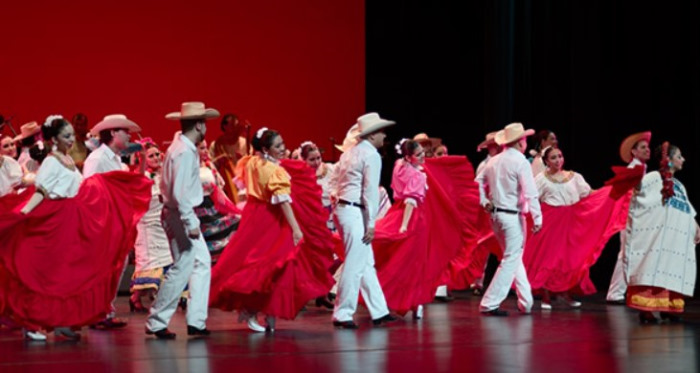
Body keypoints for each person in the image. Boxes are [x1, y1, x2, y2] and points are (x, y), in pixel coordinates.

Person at [0, 117, 151, 341]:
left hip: (69, 218)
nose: (72, 140)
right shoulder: (52, 161)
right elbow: (41, 190)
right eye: (66, 136)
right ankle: (31, 323)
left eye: (72, 135)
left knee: (66, 273)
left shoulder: (67, 158)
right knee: (45, 273)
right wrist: (23, 213)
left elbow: (77, 185)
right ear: (54, 139)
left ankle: (62, 320)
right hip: (53, 219)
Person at [209, 128, 335, 332]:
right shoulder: (272, 170)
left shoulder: (252, 162)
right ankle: (252, 310)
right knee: (270, 265)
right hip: (270, 219)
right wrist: (296, 229)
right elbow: (283, 202)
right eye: (278, 146)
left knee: (269, 266)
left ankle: (267, 313)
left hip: (255, 215)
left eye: (283, 144)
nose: (283, 149)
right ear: (266, 149)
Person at [145, 102, 219, 339]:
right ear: (199, 125)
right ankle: (158, 320)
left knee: (198, 263)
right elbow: (180, 192)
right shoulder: (184, 151)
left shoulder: (181, 146)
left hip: (176, 213)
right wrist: (191, 222)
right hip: (179, 214)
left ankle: (194, 320)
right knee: (184, 264)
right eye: (204, 123)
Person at [330, 113, 399, 329]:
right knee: (354, 262)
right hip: (354, 211)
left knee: (366, 261)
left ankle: (379, 310)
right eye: (380, 132)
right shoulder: (370, 155)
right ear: (371, 136)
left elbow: (334, 182)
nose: (383, 136)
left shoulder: (349, 153)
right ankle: (342, 313)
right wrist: (371, 224)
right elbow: (370, 192)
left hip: (344, 209)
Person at [625, 142, 699, 323]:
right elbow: (636, 188)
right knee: (652, 265)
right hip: (657, 237)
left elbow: (687, 208)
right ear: (669, 160)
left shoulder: (679, 185)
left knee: (673, 267)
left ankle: (669, 307)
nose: (683, 159)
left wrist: (695, 224)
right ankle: (646, 309)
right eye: (679, 156)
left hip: (675, 239)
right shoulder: (653, 177)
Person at [83, 114, 142, 330]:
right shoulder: (97, 158)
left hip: (117, 221)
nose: (128, 135)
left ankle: (105, 309)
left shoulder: (117, 159)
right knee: (103, 267)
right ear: (113, 133)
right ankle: (96, 311)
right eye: (124, 131)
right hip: (102, 221)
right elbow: (88, 190)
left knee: (118, 264)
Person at [476, 122, 542, 316]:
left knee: (513, 257)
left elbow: (478, 181)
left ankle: (526, 301)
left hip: (496, 216)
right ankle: (490, 302)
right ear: (520, 142)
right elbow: (531, 192)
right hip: (511, 216)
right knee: (511, 257)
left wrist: (483, 200)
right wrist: (537, 218)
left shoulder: (493, 160)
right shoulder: (520, 161)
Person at [530, 147, 590, 309]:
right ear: (546, 162)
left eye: (560, 156)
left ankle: (566, 293)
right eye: (553, 158)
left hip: (571, 221)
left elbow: (588, 194)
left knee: (569, 259)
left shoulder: (574, 177)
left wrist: (608, 192)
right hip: (551, 221)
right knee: (550, 258)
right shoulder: (541, 178)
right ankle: (546, 296)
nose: (558, 160)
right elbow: (532, 198)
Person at [606, 131, 651, 304]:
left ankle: (624, 290)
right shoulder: (633, 169)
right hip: (630, 217)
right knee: (626, 254)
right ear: (634, 152)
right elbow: (627, 197)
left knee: (631, 254)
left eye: (647, 147)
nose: (647, 150)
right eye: (643, 147)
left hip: (639, 217)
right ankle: (616, 292)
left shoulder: (641, 168)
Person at [129, 139, 173, 313]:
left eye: (157, 154)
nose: (155, 158)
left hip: (162, 222)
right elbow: (138, 182)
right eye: (151, 156)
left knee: (165, 259)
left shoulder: (164, 175)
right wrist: (140, 163)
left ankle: (137, 298)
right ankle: (144, 297)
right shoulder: (143, 176)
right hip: (147, 223)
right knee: (149, 260)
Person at [196, 140, 240, 264]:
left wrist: (229, 207)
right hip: (200, 209)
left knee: (238, 221)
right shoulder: (189, 168)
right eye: (201, 148)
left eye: (206, 147)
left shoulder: (208, 165)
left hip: (213, 205)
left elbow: (219, 188)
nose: (205, 151)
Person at [209, 113, 248, 204]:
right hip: (225, 185)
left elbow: (252, 164)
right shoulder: (216, 145)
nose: (236, 128)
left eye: (237, 125)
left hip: (242, 183)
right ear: (224, 126)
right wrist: (219, 161)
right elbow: (209, 166)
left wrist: (243, 160)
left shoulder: (244, 143)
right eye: (232, 125)